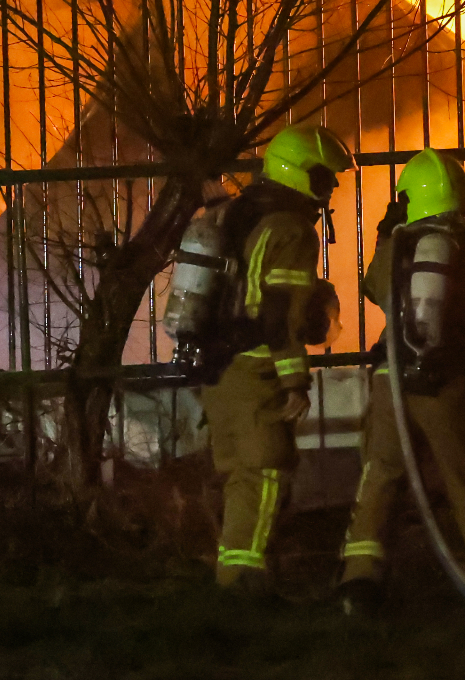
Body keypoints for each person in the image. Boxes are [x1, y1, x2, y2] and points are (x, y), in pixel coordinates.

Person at [337, 148, 465, 616]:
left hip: (392, 381)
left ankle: (360, 585)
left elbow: (375, 287)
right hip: (450, 384)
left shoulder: (399, 247)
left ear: (409, 200)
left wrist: (386, 235)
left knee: (380, 477)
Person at [188, 122, 354, 596]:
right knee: (265, 473)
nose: (332, 187)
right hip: (256, 367)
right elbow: (279, 311)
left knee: (242, 477)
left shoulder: (239, 213)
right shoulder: (291, 229)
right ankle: (245, 581)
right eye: (325, 176)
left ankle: (231, 580)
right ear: (301, 174)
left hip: (218, 366)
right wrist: (294, 378)